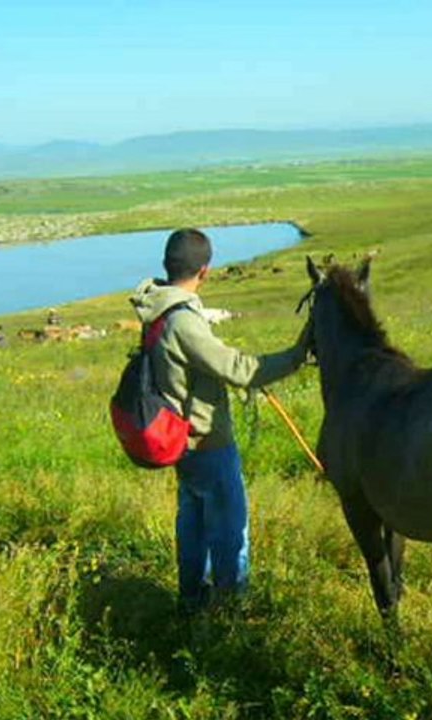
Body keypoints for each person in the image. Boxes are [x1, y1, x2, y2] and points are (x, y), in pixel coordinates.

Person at [131, 228, 310, 612]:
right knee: (230, 534)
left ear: (168, 264)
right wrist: (296, 356)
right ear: (205, 271)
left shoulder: (158, 309)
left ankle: (192, 603)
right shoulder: (182, 321)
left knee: (193, 527)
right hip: (207, 444)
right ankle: (231, 615)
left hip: (183, 444)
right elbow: (238, 369)